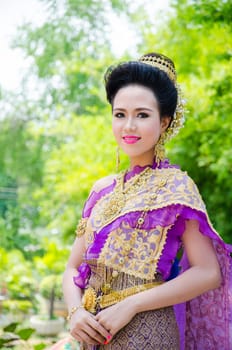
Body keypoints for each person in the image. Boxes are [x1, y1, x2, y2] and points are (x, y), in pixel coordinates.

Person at [51, 53, 232, 350]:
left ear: (164, 121)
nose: (129, 126)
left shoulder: (177, 187)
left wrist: (130, 305)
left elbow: (208, 272)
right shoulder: (102, 189)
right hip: (89, 332)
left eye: (142, 115)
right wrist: (75, 312)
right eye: (120, 114)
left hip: (145, 333)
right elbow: (73, 267)